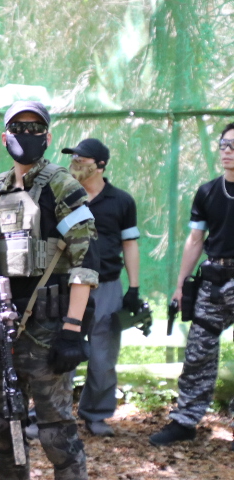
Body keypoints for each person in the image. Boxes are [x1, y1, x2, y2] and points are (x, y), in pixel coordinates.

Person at [0, 101, 99, 480]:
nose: (26, 134)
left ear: (48, 137)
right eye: (17, 128)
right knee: (6, 425)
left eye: (34, 128)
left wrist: (72, 330)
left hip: (47, 329)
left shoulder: (61, 186)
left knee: (55, 431)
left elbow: (86, 259)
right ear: (4, 137)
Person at [149, 122, 234, 447]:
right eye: (223, 145)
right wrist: (181, 285)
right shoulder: (208, 192)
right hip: (213, 282)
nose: (227, 151)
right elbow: (195, 239)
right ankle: (185, 422)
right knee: (198, 352)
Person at [61, 138, 140, 437]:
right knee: (59, 348)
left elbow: (129, 245)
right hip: (67, 286)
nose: (75, 163)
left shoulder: (122, 201)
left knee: (103, 357)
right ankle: (49, 413)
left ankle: (96, 414)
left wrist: (133, 288)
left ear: (101, 165)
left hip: (106, 286)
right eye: (73, 158)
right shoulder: (62, 197)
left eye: (82, 159)